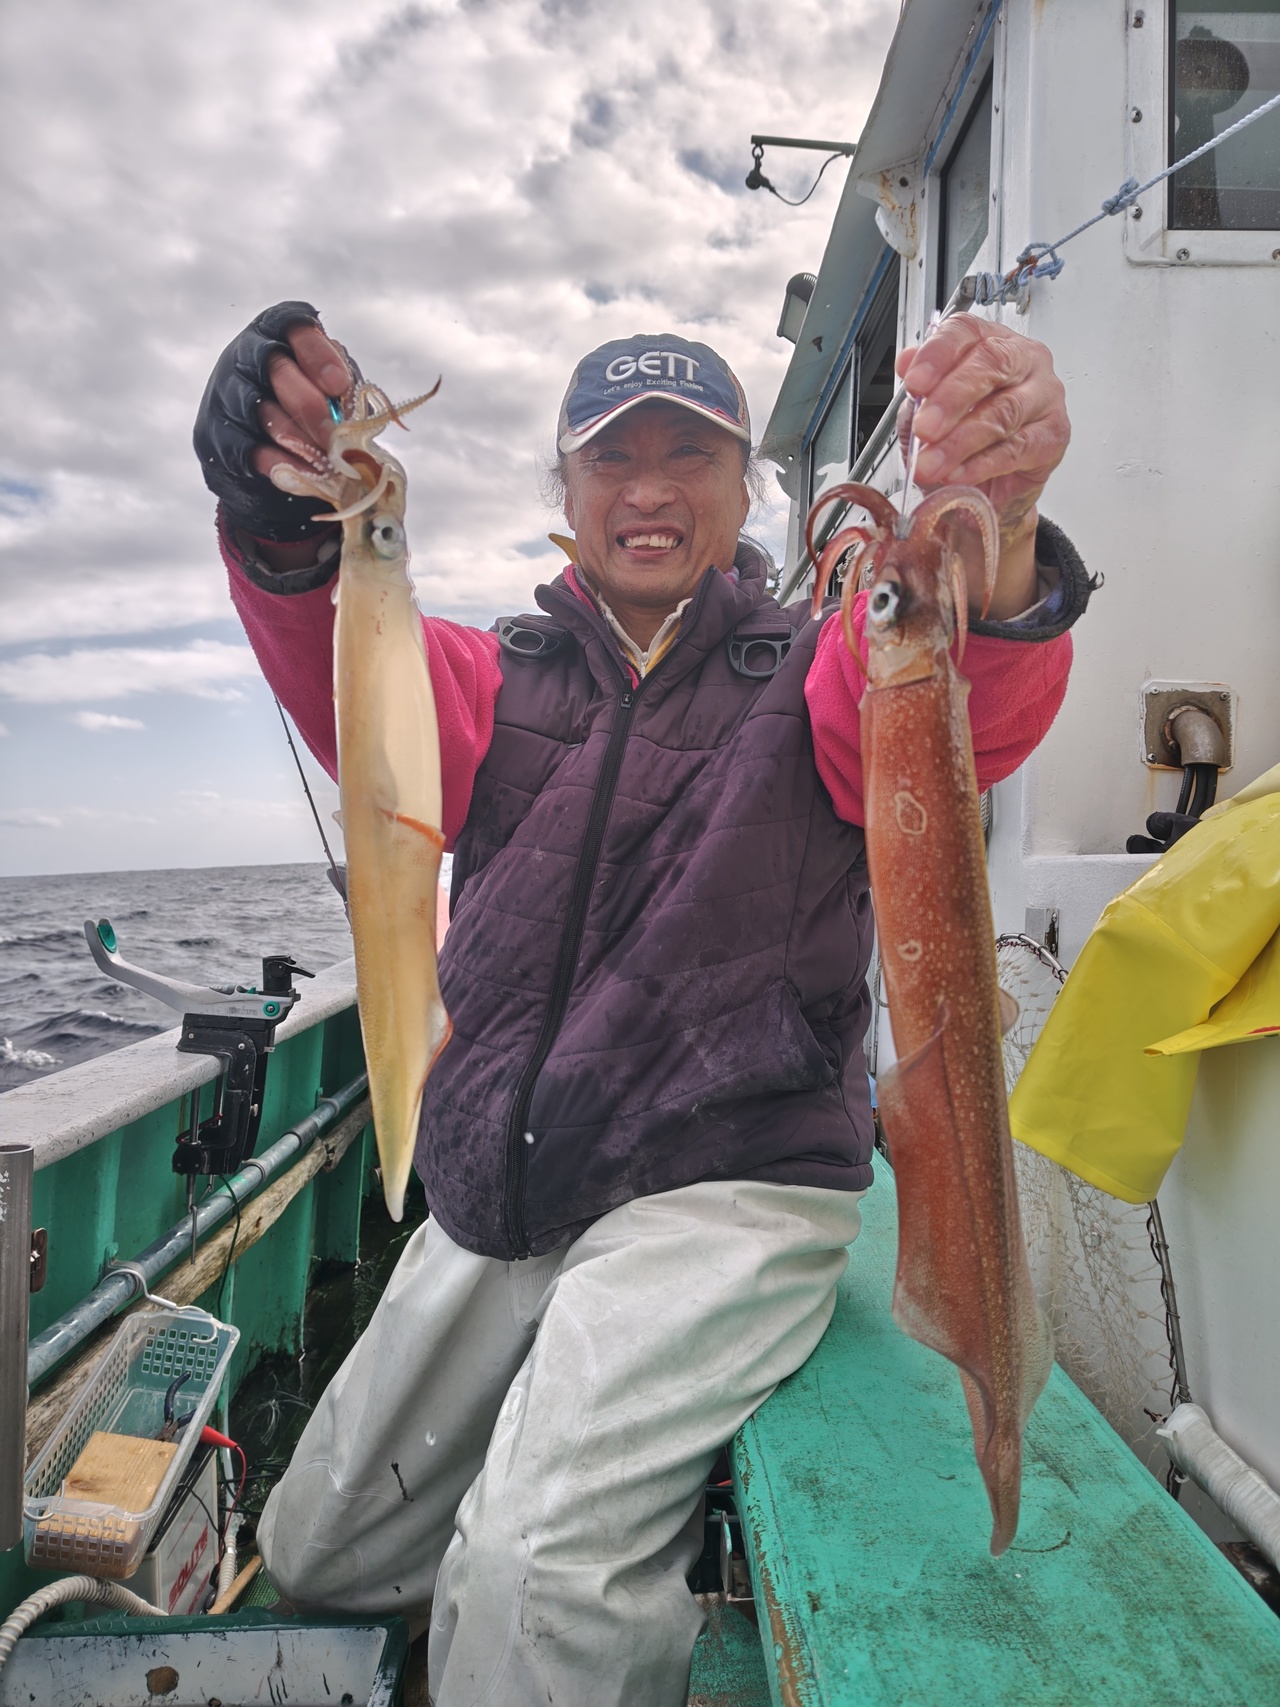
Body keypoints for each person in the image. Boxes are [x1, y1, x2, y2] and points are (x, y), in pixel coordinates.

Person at [194, 302, 1090, 1706]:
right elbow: (354, 672)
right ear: (565, 492)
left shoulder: (819, 670)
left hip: (721, 1189)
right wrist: (284, 518)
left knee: (537, 1570)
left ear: (746, 491)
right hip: (504, 1188)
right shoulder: (496, 676)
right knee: (318, 1551)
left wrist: (1004, 524)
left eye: (691, 455)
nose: (650, 488)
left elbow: (954, 692)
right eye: (613, 458)